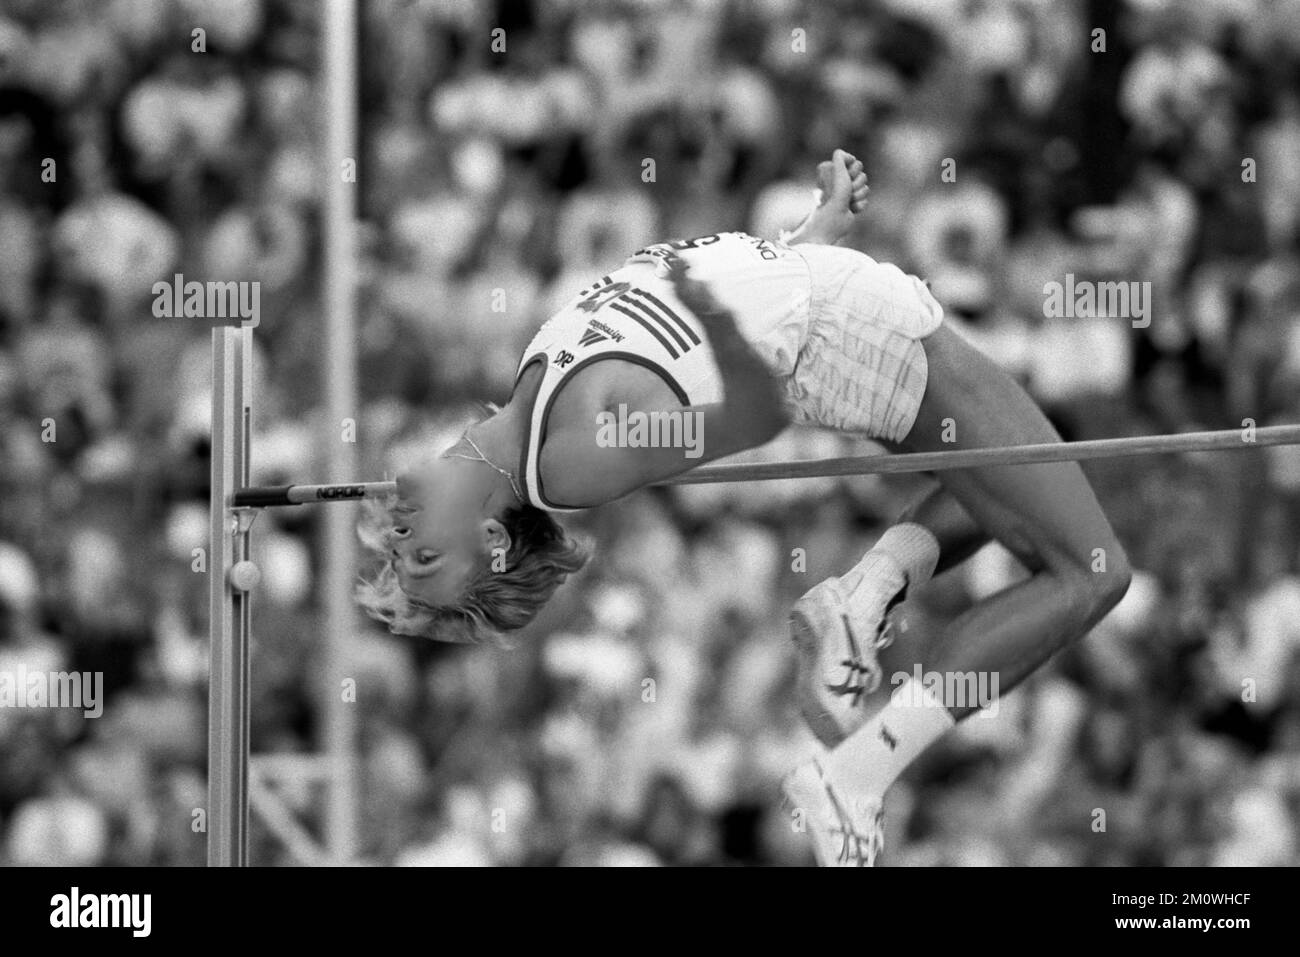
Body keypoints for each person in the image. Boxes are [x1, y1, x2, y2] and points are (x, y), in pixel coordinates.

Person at [357, 149, 1132, 865]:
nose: (396, 534)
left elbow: (692, 302)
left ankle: (862, 599)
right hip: (852, 332)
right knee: (1090, 573)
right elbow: (729, 408)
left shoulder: (533, 382)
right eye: (425, 557)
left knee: (1021, 481)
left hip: (834, 305)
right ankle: (859, 773)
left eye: (398, 553)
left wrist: (806, 239)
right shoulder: (569, 461)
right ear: (492, 539)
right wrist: (802, 310)